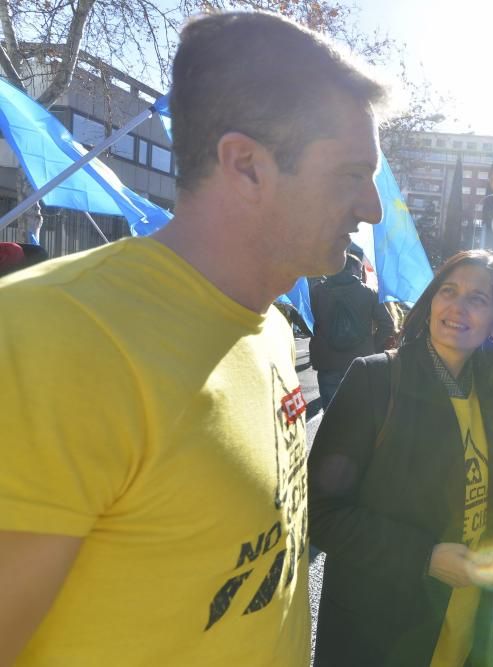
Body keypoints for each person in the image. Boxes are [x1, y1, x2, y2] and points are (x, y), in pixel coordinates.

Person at [0, 12, 386, 665]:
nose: (371, 207)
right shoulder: (52, 337)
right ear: (246, 165)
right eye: (352, 173)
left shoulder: (267, 322)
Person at [309, 250, 493, 667]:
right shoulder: (374, 379)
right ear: (430, 302)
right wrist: (424, 556)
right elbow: (318, 513)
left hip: (464, 622)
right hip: (381, 629)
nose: (457, 306)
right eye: (449, 290)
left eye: (478, 299)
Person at [310, 252, 395, 409]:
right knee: (360, 414)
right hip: (361, 361)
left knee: (331, 414)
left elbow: (306, 322)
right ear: (353, 269)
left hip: (328, 362)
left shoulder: (316, 292)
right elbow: (388, 324)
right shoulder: (369, 293)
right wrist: (372, 346)